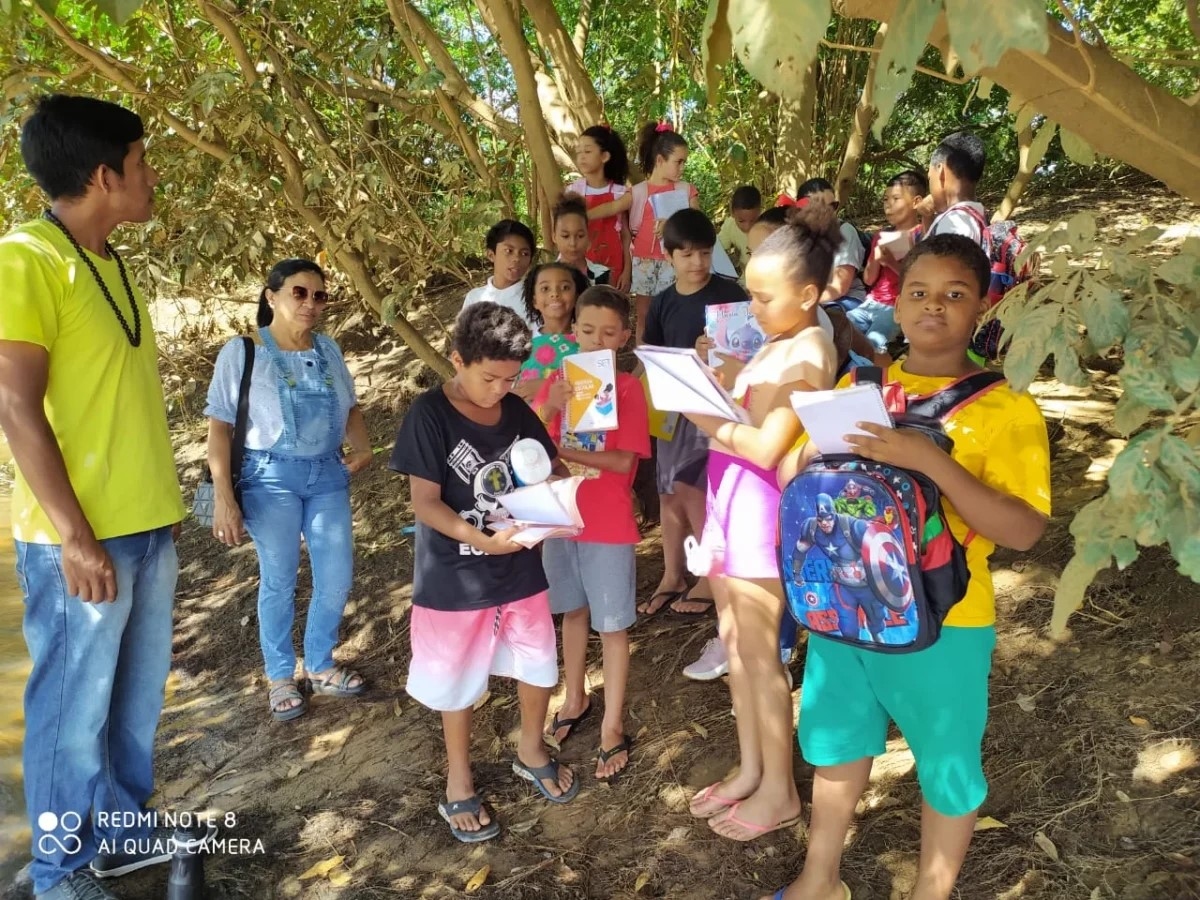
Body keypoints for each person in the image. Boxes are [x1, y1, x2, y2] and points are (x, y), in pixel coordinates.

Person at [766, 235, 1051, 900]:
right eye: (919, 292)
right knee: (837, 743)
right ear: (896, 301)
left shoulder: (1006, 408)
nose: (934, 307)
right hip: (843, 605)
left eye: (955, 295)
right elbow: (790, 476)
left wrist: (928, 460)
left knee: (946, 764)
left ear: (983, 305)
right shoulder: (856, 387)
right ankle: (820, 877)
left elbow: (1025, 530)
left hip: (946, 619)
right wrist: (805, 456)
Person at [0, 94, 185, 900]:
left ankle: (114, 828)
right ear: (104, 174)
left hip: (145, 524)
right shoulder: (27, 257)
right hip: (79, 539)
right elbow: (12, 399)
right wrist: (74, 534)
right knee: (69, 717)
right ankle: (58, 872)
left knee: (130, 704)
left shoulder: (107, 259)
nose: (152, 178)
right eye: (142, 163)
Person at [389, 303, 579, 844]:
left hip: (519, 568)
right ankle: (459, 778)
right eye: (488, 377)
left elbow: (550, 467)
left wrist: (561, 497)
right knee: (457, 680)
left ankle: (532, 748)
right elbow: (426, 504)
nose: (499, 389)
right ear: (457, 360)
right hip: (456, 577)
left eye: (510, 379)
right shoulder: (429, 415)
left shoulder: (517, 410)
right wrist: (481, 541)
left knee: (538, 663)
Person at [682, 204, 838, 842]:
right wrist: (709, 372)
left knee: (762, 653)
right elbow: (746, 409)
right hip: (727, 500)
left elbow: (769, 444)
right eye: (749, 294)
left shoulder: (811, 346)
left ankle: (781, 791)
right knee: (737, 646)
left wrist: (700, 411)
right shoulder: (776, 340)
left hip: (760, 509)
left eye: (763, 297)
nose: (752, 308)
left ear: (808, 294)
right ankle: (752, 767)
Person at [205, 258, 372, 722]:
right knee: (279, 579)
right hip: (268, 479)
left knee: (336, 576)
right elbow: (219, 427)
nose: (311, 303)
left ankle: (319, 665)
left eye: (319, 295)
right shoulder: (242, 351)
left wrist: (363, 448)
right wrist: (222, 496)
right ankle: (280, 675)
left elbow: (351, 408)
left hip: (326, 477)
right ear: (271, 295)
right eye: (300, 292)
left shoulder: (330, 350)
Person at [534, 287, 651, 781]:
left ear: (624, 337)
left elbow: (624, 461)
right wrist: (547, 410)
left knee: (613, 624)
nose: (596, 341)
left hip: (606, 520)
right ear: (571, 332)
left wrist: (569, 453)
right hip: (561, 516)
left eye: (608, 333)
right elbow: (532, 449)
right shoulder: (557, 382)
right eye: (586, 332)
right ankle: (575, 694)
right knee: (572, 611)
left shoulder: (625, 389)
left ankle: (612, 723)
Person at [639, 209, 743, 618]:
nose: (697, 263)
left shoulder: (732, 295)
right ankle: (672, 573)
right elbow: (653, 355)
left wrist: (716, 349)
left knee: (696, 489)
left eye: (704, 253)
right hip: (672, 409)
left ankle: (708, 573)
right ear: (668, 257)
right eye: (686, 255)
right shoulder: (663, 303)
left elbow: (750, 348)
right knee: (668, 490)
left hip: (714, 409)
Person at [626, 122, 700, 343]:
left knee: (672, 310)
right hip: (643, 260)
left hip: (672, 260)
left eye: (683, 162)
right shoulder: (638, 192)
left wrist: (673, 224)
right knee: (644, 315)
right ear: (660, 160)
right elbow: (616, 211)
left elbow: (697, 223)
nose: (682, 167)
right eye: (679, 162)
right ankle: (644, 361)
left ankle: (670, 355)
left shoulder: (686, 190)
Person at [850, 170, 929, 362]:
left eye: (896, 199)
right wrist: (877, 259)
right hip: (871, 303)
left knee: (874, 342)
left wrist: (892, 263)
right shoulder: (881, 235)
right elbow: (868, 279)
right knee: (841, 326)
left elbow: (921, 284)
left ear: (916, 202)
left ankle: (884, 384)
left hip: (897, 306)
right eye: (886, 200)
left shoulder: (923, 236)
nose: (888, 206)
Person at [566, 125, 632, 291]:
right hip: (579, 263)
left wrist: (627, 271)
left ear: (604, 156)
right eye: (578, 152)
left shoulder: (620, 193)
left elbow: (625, 236)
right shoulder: (573, 191)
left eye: (587, 151)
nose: (581, 157)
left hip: (613, 263)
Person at [791, 178, 868, 313]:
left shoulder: (845, 231)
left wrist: (799, 302)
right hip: (810, 298)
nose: (829, 212)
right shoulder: (797, 233)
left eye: (833, 206)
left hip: (846, 300)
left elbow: (839, 288)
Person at [515, 262, 586, 404]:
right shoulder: (521, 342)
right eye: (545, 288)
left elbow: (599, 384)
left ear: (577, 296)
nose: (554, 294)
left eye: (565, 287)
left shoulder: (589, 340)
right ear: (534, 300)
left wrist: (546, 387)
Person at [920, 132, 990, 249]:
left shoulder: (954, 224)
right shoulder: (977, 214)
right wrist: (927, 218)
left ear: (940, 171)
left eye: (930, 178)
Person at [461, 219, 537, 326]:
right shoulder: (474, 298)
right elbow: (463, 339)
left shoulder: (535, 298)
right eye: (508, 251)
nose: (516, 258)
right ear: (491, 255)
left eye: (524, 253)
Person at [551, 192, 612, 285]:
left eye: (580, 236)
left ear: (588, 236)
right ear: (554, 237)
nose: (573, 243)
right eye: (565, 236)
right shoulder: (545, 277)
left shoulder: (602, 275)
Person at [718, 185, 763, 275]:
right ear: (732, 212)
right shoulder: (730, 225)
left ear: (760, 211)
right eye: (741, 221)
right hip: (745, 278)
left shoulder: (767, 226)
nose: (747, 227)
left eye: (753, 220)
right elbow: (718, 249)